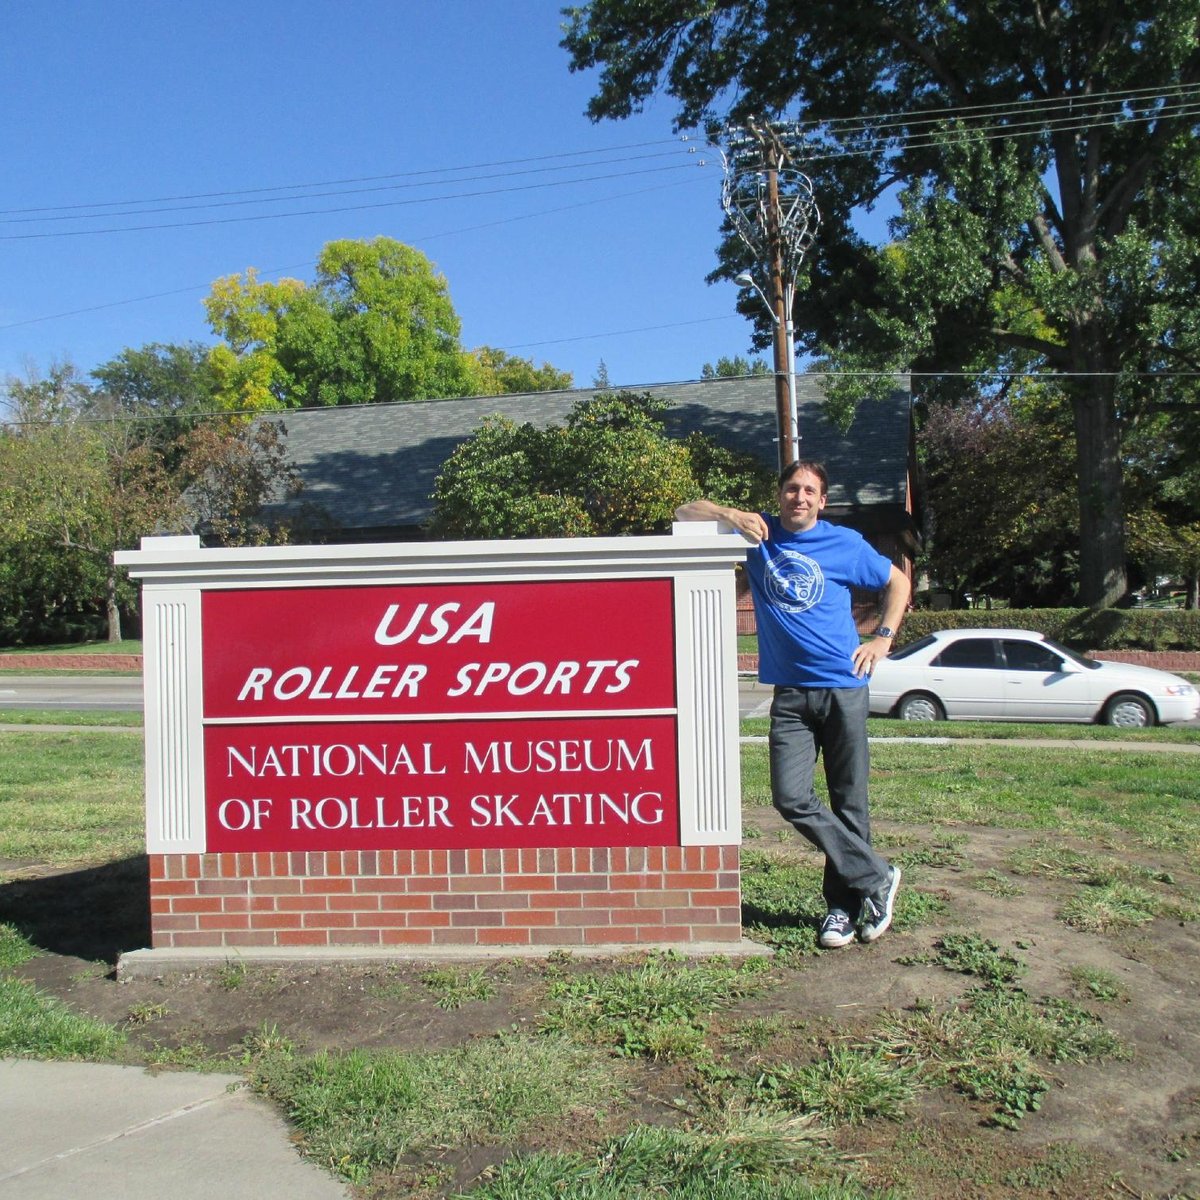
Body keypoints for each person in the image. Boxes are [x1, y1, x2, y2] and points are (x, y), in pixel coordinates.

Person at [676, 459, 911, 947]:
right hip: (790, 694)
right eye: (790, 489)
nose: (798, 497)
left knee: (850, 802)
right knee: (790, 797)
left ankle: (843, 910)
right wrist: (728, 513)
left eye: (809, 491)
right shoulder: (757, 534)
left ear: (821, 502)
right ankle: (877, 877)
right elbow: (683, 512)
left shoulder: (843, 544)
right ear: (779, 494)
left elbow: (898, 582)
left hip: (844, 686)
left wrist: (883, 638)